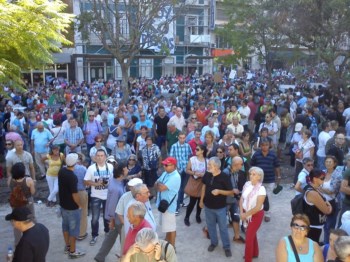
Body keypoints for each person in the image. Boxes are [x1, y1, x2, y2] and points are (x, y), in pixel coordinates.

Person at [199, 156, 233, 258]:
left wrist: (219, 191)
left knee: (223, 228)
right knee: (210, 226)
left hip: (220, 208)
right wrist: (201, 200)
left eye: (210, 165)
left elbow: (231, 192)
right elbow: (204, 187)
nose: (208, 166)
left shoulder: (224, 176)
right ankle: (214, 243)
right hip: (208, 207)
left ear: (217, 167)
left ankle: (226, 247)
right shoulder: (207, 174)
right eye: (208, 164)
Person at [94, 162, 128, 262]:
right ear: (121, 173)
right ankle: (125, 258)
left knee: (110, 238)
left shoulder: (115, 180)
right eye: (126, 169)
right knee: (125, 240)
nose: (127, 170)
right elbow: (112, 206)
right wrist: (111, 220)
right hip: (117, 219)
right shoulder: (116, 188)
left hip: (116, 218)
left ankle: (100, 256)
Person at [84, 149, 114, 246]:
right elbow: (85, 181)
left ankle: (107, 232)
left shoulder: (110, 167)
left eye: (102, 155)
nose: (100, 157)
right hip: (95, 195)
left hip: (107, 196)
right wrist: (96, 183)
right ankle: (94, 235)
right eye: (98, 156)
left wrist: (109, 184)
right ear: (95, 157)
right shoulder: (91, 168)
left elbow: (113, 179)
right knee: (95, 218)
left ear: (105, 157)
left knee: (107, 217)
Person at [58, 153, 85, 258]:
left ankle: (68, 246)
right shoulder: (72, 177)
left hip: (63, 205)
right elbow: (74, 194)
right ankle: (73, 251)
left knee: (65, 227)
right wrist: (79, 205)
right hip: (72, 207)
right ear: (75, 163)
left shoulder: (61, 171)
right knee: (74, 230)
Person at [250, 138, 280, 222]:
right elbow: (252, 166)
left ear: (269, 145)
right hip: (258, 181)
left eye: (266, 145)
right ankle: (257, 212)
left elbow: (277, 166)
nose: (264, 147)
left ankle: (267, 213)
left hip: (270, 180)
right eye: (263, 145)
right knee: (257, 197)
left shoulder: (273, 155)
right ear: (260, 146)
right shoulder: (256, 154)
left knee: (268, 197)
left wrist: (279, 177)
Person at [240, 167, 266, 262]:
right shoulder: (247, 184)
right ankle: (255, 253)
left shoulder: (261, 189)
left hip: (256, 215)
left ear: (259, 177)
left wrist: (245, 214)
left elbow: (258, 207)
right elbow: (242, 198)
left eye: (254, 174)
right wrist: (241, 212)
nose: (251, 176)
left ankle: (248, 259)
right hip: (246, 212)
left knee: (248, 238)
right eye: (250, 174)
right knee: (251, 234)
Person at [155, 157, 181, 248]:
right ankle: (167, 240)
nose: (164, 166)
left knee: (171, 227)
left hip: (169, 206)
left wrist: (159, 185)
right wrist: (159, 185)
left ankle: (172, 247)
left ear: (173, 166)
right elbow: (156, 183)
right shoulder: (166, 173)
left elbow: (161, 187)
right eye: (164, 164)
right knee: (167, 226)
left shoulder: (175, 177)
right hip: (163, 204)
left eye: (166, 165)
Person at [8, 162, 36, 246]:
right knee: (31, 219)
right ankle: (32, 240)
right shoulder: (28, 180)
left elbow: (10, 188)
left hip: (16, 203)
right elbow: (33, 192)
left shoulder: (10, 179)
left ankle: (18, 243)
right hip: (27, 203)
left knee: (16, 222)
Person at [304, 169, 333, 243]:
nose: (324, 180)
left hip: (315, 225)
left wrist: (327, 204)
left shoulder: (316, 189)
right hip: (312, 226)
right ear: (315, 179)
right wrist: (329, 206)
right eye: (322, 178)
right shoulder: (313, 193)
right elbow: (327, 211)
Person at [318, 155, 342, 244]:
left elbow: (332, 191)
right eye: (326, 162)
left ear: (334, 164)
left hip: (333, 203)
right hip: (322, 201)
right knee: (324, 224)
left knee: (329, 226)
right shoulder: (322, 172)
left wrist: (321, 189)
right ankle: (326, 242)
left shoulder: (337, 175)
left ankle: (328, 245)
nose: (328, 163)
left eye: (330, 162)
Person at [184, 144, 208, 226]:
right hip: (195, 181)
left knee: (200, 200)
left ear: (202, 151)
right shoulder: (192, 159)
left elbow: (208, 172)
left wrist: (204, 174)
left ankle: (198, 215)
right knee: (192, 201)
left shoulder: (207, 161)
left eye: (197, 149)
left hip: (203, 182)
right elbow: (187, 170)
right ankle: (187, 217)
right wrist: (194, 173)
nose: (195, 150)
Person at [225, 156, 247, 243]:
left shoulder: (237, 172)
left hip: (233, 200)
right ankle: (207, 229)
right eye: (241, 164)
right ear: (235, 164)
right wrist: (232, 190)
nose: (242, 166)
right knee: (218, 219)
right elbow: (221, 187)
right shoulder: (226, 173)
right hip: (225, 201)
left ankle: (237, 237)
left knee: (236, 217)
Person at [169, 132, 192, 214]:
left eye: (183, 138)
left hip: (186, 169)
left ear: (185, 138)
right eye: (180, 138)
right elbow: (171, 159)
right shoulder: (174, 146)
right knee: (178, 188)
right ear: (178, 138)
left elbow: (190, 156)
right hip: (178, 170)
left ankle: (181, 202)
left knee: (184, 187)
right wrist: (175, 167)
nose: (182, 139)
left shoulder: (187, 146)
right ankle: (176, 207)